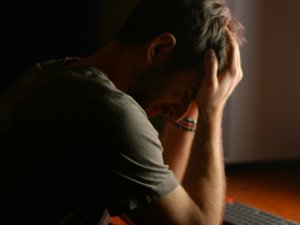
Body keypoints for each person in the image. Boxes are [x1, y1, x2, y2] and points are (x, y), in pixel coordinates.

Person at [0, 0, 244, 224]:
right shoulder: (110, 112)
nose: (180, 113)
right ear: (159, 48)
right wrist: (211, 110)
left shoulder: (49, 74)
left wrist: (194, 108)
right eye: (188, 94)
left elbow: (157, 203)